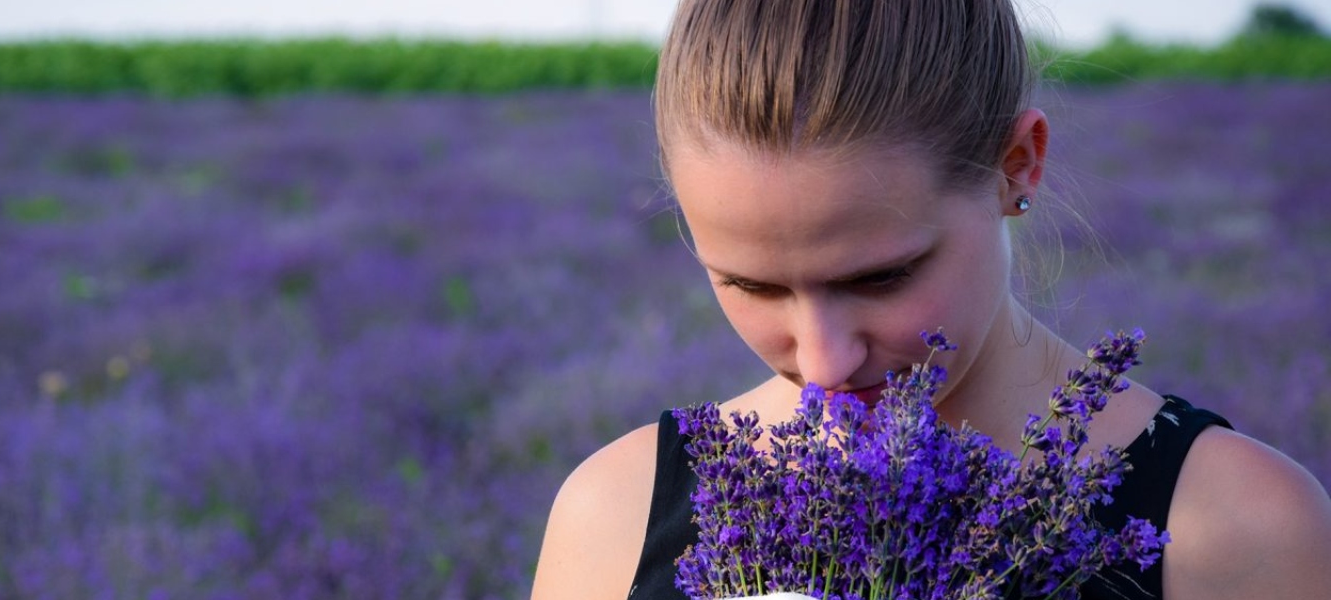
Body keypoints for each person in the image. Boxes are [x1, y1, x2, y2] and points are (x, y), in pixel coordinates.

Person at [530, 1, 1331, 599]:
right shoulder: (616, 515)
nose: (824, 360)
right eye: (752, 285)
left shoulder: (1236, 529)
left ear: (1016, 164)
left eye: (880, 277)